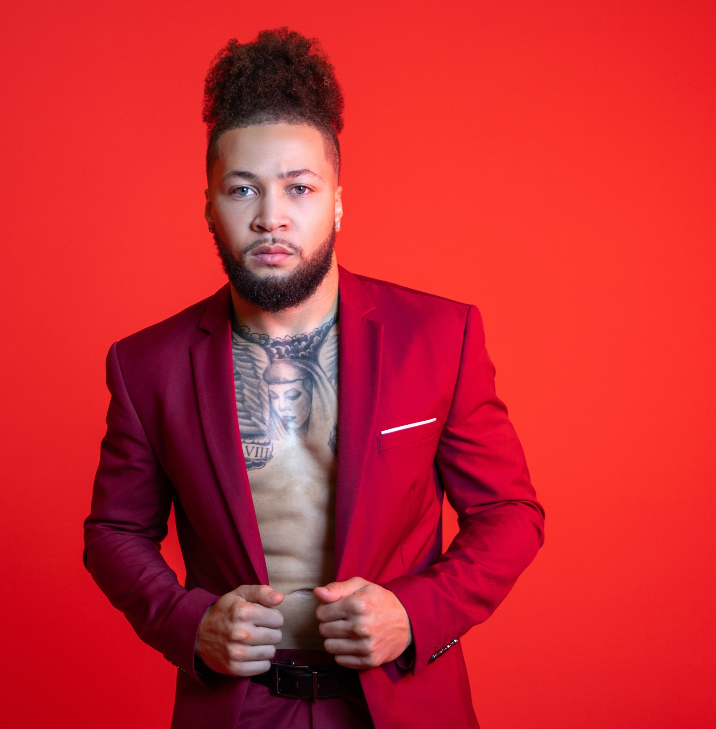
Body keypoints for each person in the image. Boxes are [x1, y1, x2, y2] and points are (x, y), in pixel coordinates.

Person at [84, 28, 544, 729]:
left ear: (336, 200)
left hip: (399, 703)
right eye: (243, 189)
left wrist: (414, 613)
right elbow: (115, 529)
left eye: (298, 187)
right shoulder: (147, 365)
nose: (271, 216)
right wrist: (190, 622)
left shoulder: (439, 337)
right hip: (240, 708)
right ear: (209, 204)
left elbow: (511, 516)